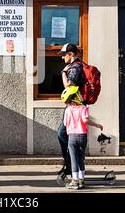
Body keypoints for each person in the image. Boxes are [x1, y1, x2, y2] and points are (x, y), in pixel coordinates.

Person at [62, 86, 103, 190]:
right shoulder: (84, 108)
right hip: (82, 136)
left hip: (72, 137)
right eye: (78, 93)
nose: (80, 94)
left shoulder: (68, 110)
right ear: (74, 97)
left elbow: (65, 124)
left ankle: (74, 181)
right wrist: (97, 125)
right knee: (81, 158)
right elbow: (85, 120)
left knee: (73, 159)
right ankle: (81, 180)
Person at [56, 43, 84, 178]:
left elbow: (69, 85)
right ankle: (71, 164)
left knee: (63, 134)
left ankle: (71, 164)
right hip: (74, 107)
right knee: (65, 134)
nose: (62, 58)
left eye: (64, 55)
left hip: (75, 108)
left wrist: (63, 72)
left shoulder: (74, 68)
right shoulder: (77, 66)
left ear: (71, 54)